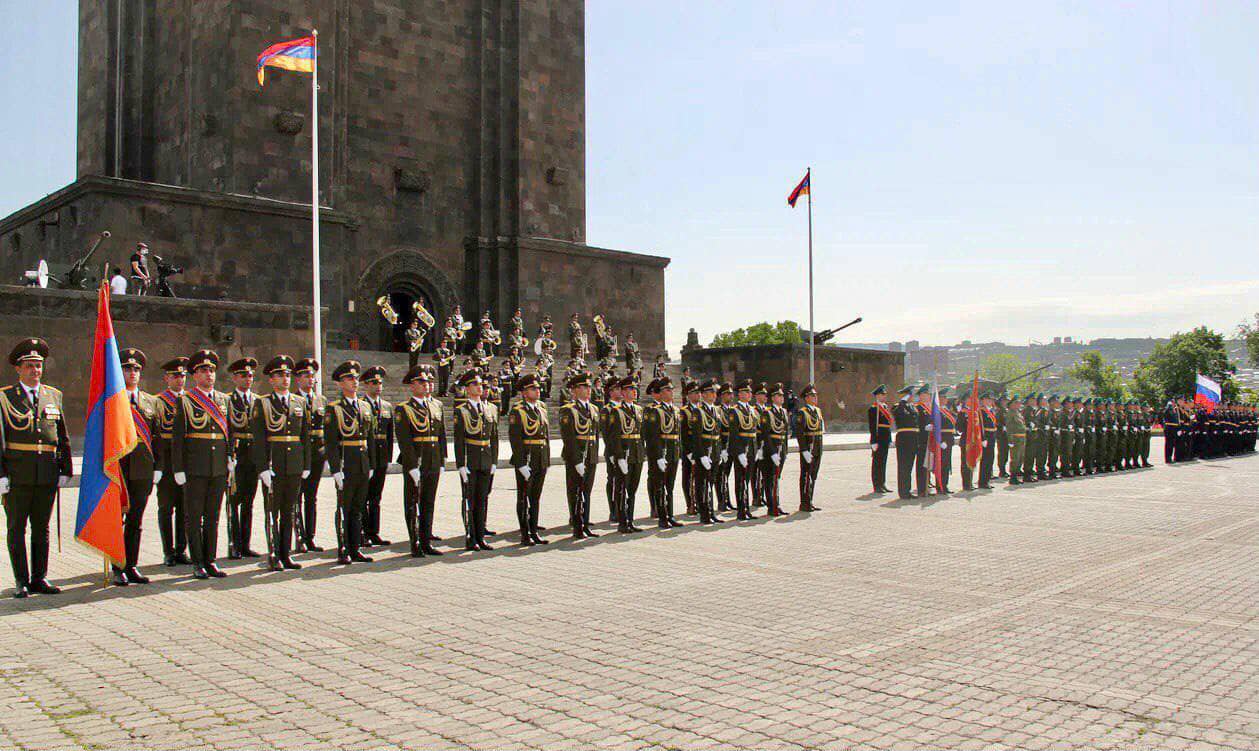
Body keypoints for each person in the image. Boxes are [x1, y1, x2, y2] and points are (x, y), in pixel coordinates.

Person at [1, 338, 73, 598]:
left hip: (46, 473)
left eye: (38, 365)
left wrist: (66, 468)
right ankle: (21, 580)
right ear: (18, 369)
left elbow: (61, 435)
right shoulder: (5, 397)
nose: (35, 371)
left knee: (41, 528)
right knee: (16, 528)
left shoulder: (53, 395)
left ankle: (39, 578)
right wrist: (1, 475)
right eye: (29, 366)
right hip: (18, 475)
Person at [172, 349, 234, 579]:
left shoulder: (223, 400)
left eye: (211, 370)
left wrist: (230, 457)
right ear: (194, 375)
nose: (208, 374)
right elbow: (178, 438)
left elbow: (229, 432)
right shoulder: (186, 400)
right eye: (203, 371)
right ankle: (198, 561)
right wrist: (178, 468)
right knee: (194, 516)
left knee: (213, 516)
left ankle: (211, 560)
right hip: (195, 468)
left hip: (217, 467)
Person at [249, 355, 311, 572]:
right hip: (274, 464)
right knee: (272, 510)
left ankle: (286, 554)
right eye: (279, 375)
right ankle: (274, 553)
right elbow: (258, 439)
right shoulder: (262, 403)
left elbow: (305, 436)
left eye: (287, 375)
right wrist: (263, 468)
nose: (285, 379)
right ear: (271, 380)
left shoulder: (300, 402)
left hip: (294, 463)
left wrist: (307, 464)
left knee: (290, 510)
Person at [114, 348, 159, 585]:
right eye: (127, 368)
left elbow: (157, 437)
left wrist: (158, 467)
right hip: (118, 469)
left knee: (136, 520)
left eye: (136, 369)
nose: (132, 373)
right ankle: (117, 567)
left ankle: (131, 565)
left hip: (142, 469)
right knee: (116, 519)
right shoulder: (111, 401)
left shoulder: (151, 402)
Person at [325, 360, 376, 565]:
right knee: (345, 508)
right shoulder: (334, 408)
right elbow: (330, 442)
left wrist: (371, 463)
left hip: (363, 464)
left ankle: (356, 548)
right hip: (346, 464)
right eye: (349, 379)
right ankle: (343, 548)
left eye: (355, 378)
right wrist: (335, 469)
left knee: (358, 508)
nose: (354, 382)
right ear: (340, 383)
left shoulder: (365, 406)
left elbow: (370, 437)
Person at [394, 366, 446, 557]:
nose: (427, 385)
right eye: (422, 382)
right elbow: (405, 441)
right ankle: (414, 542)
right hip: (416, 460)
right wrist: (411, 465)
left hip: (432, 459)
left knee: (428, 502)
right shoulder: (404, 409)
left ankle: (426, 541)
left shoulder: (436, 405)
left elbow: (441, 435)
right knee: (413, 502)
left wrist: (442, 460)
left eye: (429, 382)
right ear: (412, 385)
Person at [453, 370, 498, 550]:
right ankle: (470, 537)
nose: (480, 387)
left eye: (480, 384)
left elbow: (494, 437)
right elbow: (458, 440)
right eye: (475, 385)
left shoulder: (491, 408)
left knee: (482, 499)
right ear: (467, 389)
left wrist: (494, 461)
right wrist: (461, 465)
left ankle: (481, 536)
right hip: (470, 459)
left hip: (486, 459)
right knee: (470, 500)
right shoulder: (461, 410)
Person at [154, 356, 191, 565]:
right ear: (166, 378)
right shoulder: (158, 401)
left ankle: (181, 549)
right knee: (166, 508)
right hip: (167, 461)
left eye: (183, 376)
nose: (180, 380)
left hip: (185, 461)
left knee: (184, 507)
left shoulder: (190, 400)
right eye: (175, 376)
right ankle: (168, 551)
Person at [226, 357, 261, 560]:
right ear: (234, 378)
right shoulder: (228, 400)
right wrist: (229, 455)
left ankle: (245, 544)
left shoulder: (258, 400)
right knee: (234, 502)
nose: (247, 379)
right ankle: (234, 544)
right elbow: (228, 430)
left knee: (249, 501)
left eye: (250, 375)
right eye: (243, 375)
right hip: (237, 455)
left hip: (253, 456)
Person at [508, 373, 549, 546]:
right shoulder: (518, 410)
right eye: (533, 388)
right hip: (527, 458)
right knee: (524, 497)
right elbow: (515, 439)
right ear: (524, 392)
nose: (537, 390)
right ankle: (525, 534)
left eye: (538, 388)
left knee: (536, 497)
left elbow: (545, 435)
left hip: (540, 458)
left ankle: (534, 530)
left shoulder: (542, 407)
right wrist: (520, 463)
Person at [559, 372, 600, 538]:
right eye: (584, 387)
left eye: (589, 386)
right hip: (576, 456)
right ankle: (577, 526)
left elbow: (595, 435)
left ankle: (585, 523)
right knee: (575, 491)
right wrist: (576, 460)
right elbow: (568, 438)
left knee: (587, 491)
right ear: (574, 390)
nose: (588, 389)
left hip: (590, 455)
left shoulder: (594, 408)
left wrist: (595, 455)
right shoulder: (568, 410)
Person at [605, 376, 645, 533]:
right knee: (623, 488)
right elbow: (613, 436)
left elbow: (641, 434)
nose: (634, 392)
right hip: (625, 454)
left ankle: (630, 519)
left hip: (637, 454)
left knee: (633, 489)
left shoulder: (639, 410)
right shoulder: (616, 411)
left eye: (634, 389)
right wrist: (619, 457)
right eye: (630, 389)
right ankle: (622, 521)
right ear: (622, 392)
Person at [294, 358, 326, 552]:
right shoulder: (292, 399)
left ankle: (310, 536)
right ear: (298, 379)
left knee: (311, 496)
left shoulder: (321, 400)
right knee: (297, 496)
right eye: (306, 375)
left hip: (317, 453)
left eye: (312, 375)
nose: (310, 379)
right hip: (298, 453)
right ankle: (299, 535)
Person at [360, 366, 393, 548]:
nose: (378, 386)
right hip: (366, 455)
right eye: (374, 383)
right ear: (366, 385)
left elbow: (389, 434)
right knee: (363, 496)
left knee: (376, 497)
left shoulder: (386, 406)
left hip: (380, 457)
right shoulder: (360, 404)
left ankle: (374, 532)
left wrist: (388, 458)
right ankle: (363, 532)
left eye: (380, 383)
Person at [643, 376, 682, 529]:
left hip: (673, 452)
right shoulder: (654, 411)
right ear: (660, 392)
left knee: (670, 486)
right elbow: (652, 436)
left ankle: (670, 515)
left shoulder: (675, 410)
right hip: (661, 453)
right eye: (667, 390)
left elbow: (678, 434)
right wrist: (658, 456)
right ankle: (662, 516)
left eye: (671, 389)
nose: (670, 392)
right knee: (660, 485)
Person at [683, 380, 722, 524]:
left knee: (710, 483)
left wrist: (720, 451)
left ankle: (711, 512)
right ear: (704, 395)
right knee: (702, 484)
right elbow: (696, 437)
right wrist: (701, 455)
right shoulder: (697, 412)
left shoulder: (717, 410)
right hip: (704, 452)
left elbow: (718, 432)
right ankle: (704, 513)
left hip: (715, 451)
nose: (713, 395)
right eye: (710, 393)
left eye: (714, 393)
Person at [758, 384, 790, 518]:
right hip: (771, 450)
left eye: (782, 395)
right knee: (770, 478)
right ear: (773, 398)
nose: (782, 397)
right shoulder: (767, 413)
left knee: (777, 478)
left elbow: (785, 432)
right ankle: (771, 506)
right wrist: (772, 453)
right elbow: (766, 434)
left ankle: (777, 504)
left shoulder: (783, 412)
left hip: (781, 449)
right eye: (779, 395)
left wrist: (785, 451)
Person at [794, 384, 825, 511]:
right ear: (806, 398)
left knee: (814, 474)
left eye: (815, 395)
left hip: (817, 446)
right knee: (806, 474)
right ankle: (804, 502)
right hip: (809, 446)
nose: (815, 397)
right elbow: (800, 433)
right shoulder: (802, 413)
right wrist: (803, 450)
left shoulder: (817, 411)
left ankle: (810, 500)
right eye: (812, 395)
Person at [891, 386, 918, 499]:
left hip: (913, 439)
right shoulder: (898, 407)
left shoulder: (912, 407)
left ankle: (907, 490)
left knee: (910, 466)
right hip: (903, 438)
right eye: (910, 395)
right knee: (903, 466)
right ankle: (903, 492)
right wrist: (903, 401)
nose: (912, 397)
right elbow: (898, 414)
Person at [867, 385, 893, 493]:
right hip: (878, 438)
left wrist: (890, 438)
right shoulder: (873, 408)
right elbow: (873, 426)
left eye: (885, 394)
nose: (884, 396)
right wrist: (873, 441)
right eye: (882, 394)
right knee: (877, 461)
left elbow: (888, 425)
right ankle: (876, 485)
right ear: (877, 395)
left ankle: (882, 483)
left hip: (885, 437)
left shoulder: (885, 407)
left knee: (883, 461)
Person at [1004, 394, 1026, 485]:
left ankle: (1016, 475)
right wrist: (1010, 440)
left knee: (1020, 457)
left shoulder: (1018, 413)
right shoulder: (1010, 413)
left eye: (1019, 403)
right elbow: (1009, 427)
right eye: (1016, 403)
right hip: (1015, 438)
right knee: (1015, 458)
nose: (1018, 404)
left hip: (1021, 438)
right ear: (1011, 404)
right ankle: (1013, 477)